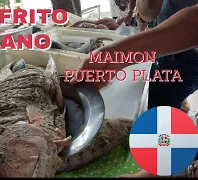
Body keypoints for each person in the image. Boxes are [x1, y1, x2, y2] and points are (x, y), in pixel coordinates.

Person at [71, 1, 198, 178]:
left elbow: (150, 9)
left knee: (163, 102)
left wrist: (180, 170)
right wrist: (118, 54)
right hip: (180, 51)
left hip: (184, 56)